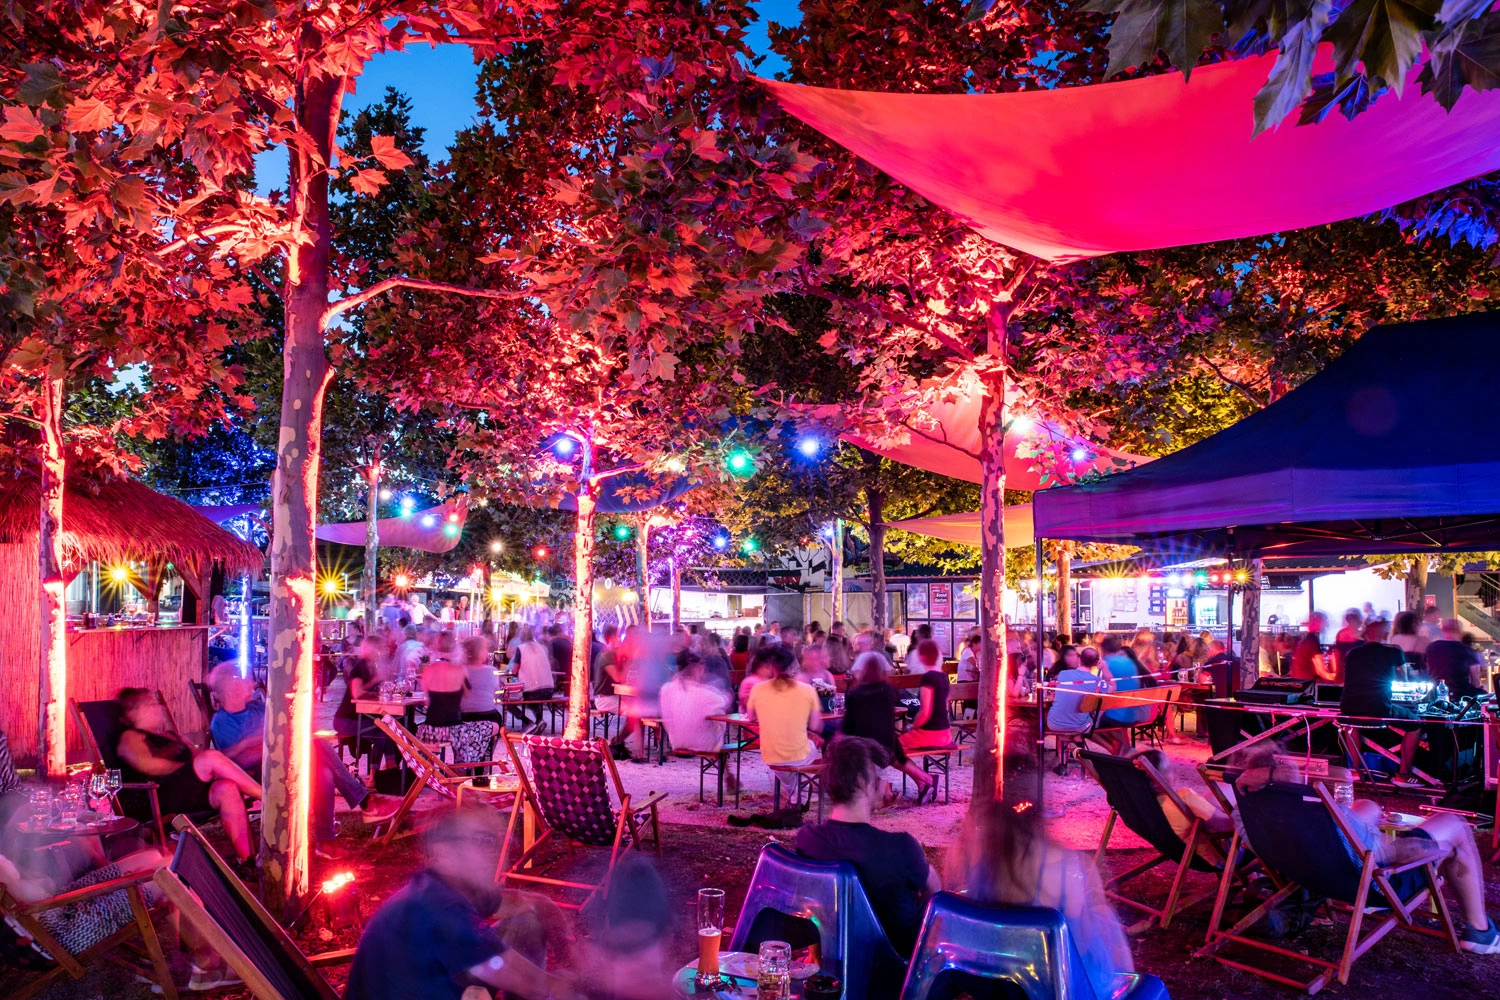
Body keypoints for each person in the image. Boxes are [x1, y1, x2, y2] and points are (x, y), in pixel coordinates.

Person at [1234, 749, 1498, 954]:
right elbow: (1385, 855)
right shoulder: (1321, 819)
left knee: (1366, 805)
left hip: (1308, 873)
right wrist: (1417, 847)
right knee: (1456, 825)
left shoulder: (1245, 815)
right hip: (1376, 884)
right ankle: (1480, 931)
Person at [346, 807, 583, 1000]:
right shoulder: (439, 909)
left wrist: (569, 956)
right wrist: (572, 984)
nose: (494, 851)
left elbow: (538, 905)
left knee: (527, 922)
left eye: (496, 840)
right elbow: (533, 984)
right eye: (480, 840)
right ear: (444, 852)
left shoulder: (439, 888)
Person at [953, 783, 1134, 1000]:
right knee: (1103, 915)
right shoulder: (1065, 868)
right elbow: (1082, 942)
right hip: (1052, 985)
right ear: (1037, 817)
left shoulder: (971, 863)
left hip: (995, 981)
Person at [209, 669, 398, 853]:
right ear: (230, 689)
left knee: (322, 771)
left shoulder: (257, 708)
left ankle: (326, 842)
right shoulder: (222, 721)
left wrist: (274, 740)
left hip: (284, 759)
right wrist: (267, 743)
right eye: (243, 680)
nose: (251, 682)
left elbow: (286, 729)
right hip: (260, 772)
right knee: (317, 744)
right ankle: (365, 802)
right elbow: (236, 760)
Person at [795, 736, 940, 955]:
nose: (882, 782)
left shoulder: (808, 840)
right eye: (877, 775)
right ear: (863, 782)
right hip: (895, 969)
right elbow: (935, 894)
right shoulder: (901, 848)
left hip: (834, 958)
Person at [114, 688, 263, 874]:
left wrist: (201, 768)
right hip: (156, 797)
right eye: (151, 704)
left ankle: (247, 861)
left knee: (226, 788)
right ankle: (267, 799)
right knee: (209, 759)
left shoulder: (171, 735)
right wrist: (192, 770)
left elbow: (199, 756)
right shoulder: (131, 736)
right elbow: (148, 766)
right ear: (133, 712)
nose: (159, 707)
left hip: (186, 793)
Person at [841, 652, 936, 802]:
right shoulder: (888, 690)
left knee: (864, 750)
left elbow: (849, 727)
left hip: (870, 743)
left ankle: (923, 780)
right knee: (894, 754)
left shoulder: (856, 694)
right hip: (888, 740)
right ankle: (922, 781)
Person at [1340, 618, 1424, 785]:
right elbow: (1405, 681)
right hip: (1379, 708)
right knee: (1416, 723)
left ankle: (1354, 772)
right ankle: (1403, 775)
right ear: (1386, 635)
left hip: (1349, 707)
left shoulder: (1353, 654)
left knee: (1351, 724)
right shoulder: (1393, 652)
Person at [1136, 749, 1232, 863]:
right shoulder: (1185, 797)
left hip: (1180, 851)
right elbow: (1226, 826)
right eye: (1168, 769)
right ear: (1154, 783)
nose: (1175, 771)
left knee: (1224, 788)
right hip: (1218, 854)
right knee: (1235, 788)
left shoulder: (1144, 804)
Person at [419, 631, 501, 761]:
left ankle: (460, 762)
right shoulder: (460, 670)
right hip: (453, 730)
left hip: (430, 730)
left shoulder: (428, 670)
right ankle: (470, 762)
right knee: (494, 726)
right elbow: (467, 693)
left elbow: (426, 699)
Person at [744, 644, 822, 767]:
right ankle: (794, 784)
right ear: (793, 666)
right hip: (800, 756)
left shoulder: (757, 689)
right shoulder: (808, 690)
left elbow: (751, 717)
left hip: (769, 756)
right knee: (812, 743)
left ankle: (789, 784)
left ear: (771, 666)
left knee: (786, 771)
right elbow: (815, 725)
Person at [332, 636, 398, 771]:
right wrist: (375, 680)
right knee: (383, 730)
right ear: (372, 649)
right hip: (346, 720)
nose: (382, 653)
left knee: (391, 726)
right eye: (379, 649)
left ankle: (390, 765)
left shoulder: (372, 666)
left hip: (362, 717)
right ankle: (375, 773)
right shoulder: (360, 667)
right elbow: (357, 693)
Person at [1045, 647, 1122, 755]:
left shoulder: (1063, 674)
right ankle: (1079, 748)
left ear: (1080, 659)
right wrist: (1104, 668)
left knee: (1066, 723)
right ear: (1096, 663)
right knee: (1097, 711)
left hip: (1054, 723)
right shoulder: (1097, 682)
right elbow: (1113, 687)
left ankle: (1064, 762)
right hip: (1080, 725)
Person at [659, 651, 731, 755]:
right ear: (695, 669)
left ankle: (724, 768)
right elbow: (724, 701)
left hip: (676, 742)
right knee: (719, 712)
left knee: (712, 710)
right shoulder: (704, 693)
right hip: (703, 744)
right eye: (702, 668)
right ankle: (722, 765)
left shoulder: (666, 689)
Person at [900, 639, 953, 752]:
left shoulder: (928, 677)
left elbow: (925, 712)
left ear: (922, 656)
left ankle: (911, 770)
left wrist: (913, 726)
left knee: (896, 744)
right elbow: (946, 706)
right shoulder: (943, 676)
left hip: (930, 734)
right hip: (945, 734)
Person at [1098, 636, 1154, 728]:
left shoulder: (1106, 664)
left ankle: (1116, 743)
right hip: (1132, 714)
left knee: (1088, 725)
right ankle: (1120, 742)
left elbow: (1103, 690)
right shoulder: (1128, 662)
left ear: (1103, 648)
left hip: (1116, 716)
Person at [1425, 619, 1486, 699]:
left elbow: (1425, 670)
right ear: (1460, 632)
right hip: (1462, 693)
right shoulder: (1468, 651)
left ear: (1443, 630)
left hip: (1435, 693)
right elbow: (1475, 680)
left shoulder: (1430, 648)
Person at [511, 626, 556, 727]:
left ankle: (526, 721)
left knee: (506, 701)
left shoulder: (521, 649)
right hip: (549, 690)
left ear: (520, 637)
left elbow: (514, 670)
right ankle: (539, 719)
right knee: (533, 695)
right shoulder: (542, 647)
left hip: (532, 691)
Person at [460, 635, 504, 725]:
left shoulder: (459, 670)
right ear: (481, 652)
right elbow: (496, 692)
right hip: (488, 716)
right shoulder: (492, 671)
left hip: (465, 717)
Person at [1290, 612, 1335, 682]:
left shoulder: (1307, 639)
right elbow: (1322, 673)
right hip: (1308, 685)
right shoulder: (1312, 641)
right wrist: (1339, 678)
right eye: (1324, 622)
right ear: (1318, 623)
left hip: (1301, 683)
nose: (1326, 625)